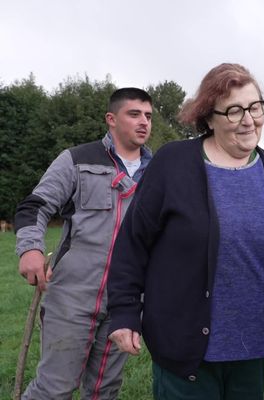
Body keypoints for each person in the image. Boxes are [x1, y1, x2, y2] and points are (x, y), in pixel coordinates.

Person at [107, 63, 264, 399]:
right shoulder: (173, 164)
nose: (248, 119)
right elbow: (133, 243)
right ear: (208, 116)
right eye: (234, 110)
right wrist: (125, 312)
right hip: (184, 353)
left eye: (255, 107)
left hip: (251, 351)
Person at [14, 87, 153, 399]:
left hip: (126, 301)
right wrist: (31, 248)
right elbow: (34, 206)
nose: (144, 122)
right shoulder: (76, 159)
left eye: (148, 116)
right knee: (55, 388)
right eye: (134, 114)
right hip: (72, 296)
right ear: (111, 119)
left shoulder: (158, 174)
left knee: (104, 390)